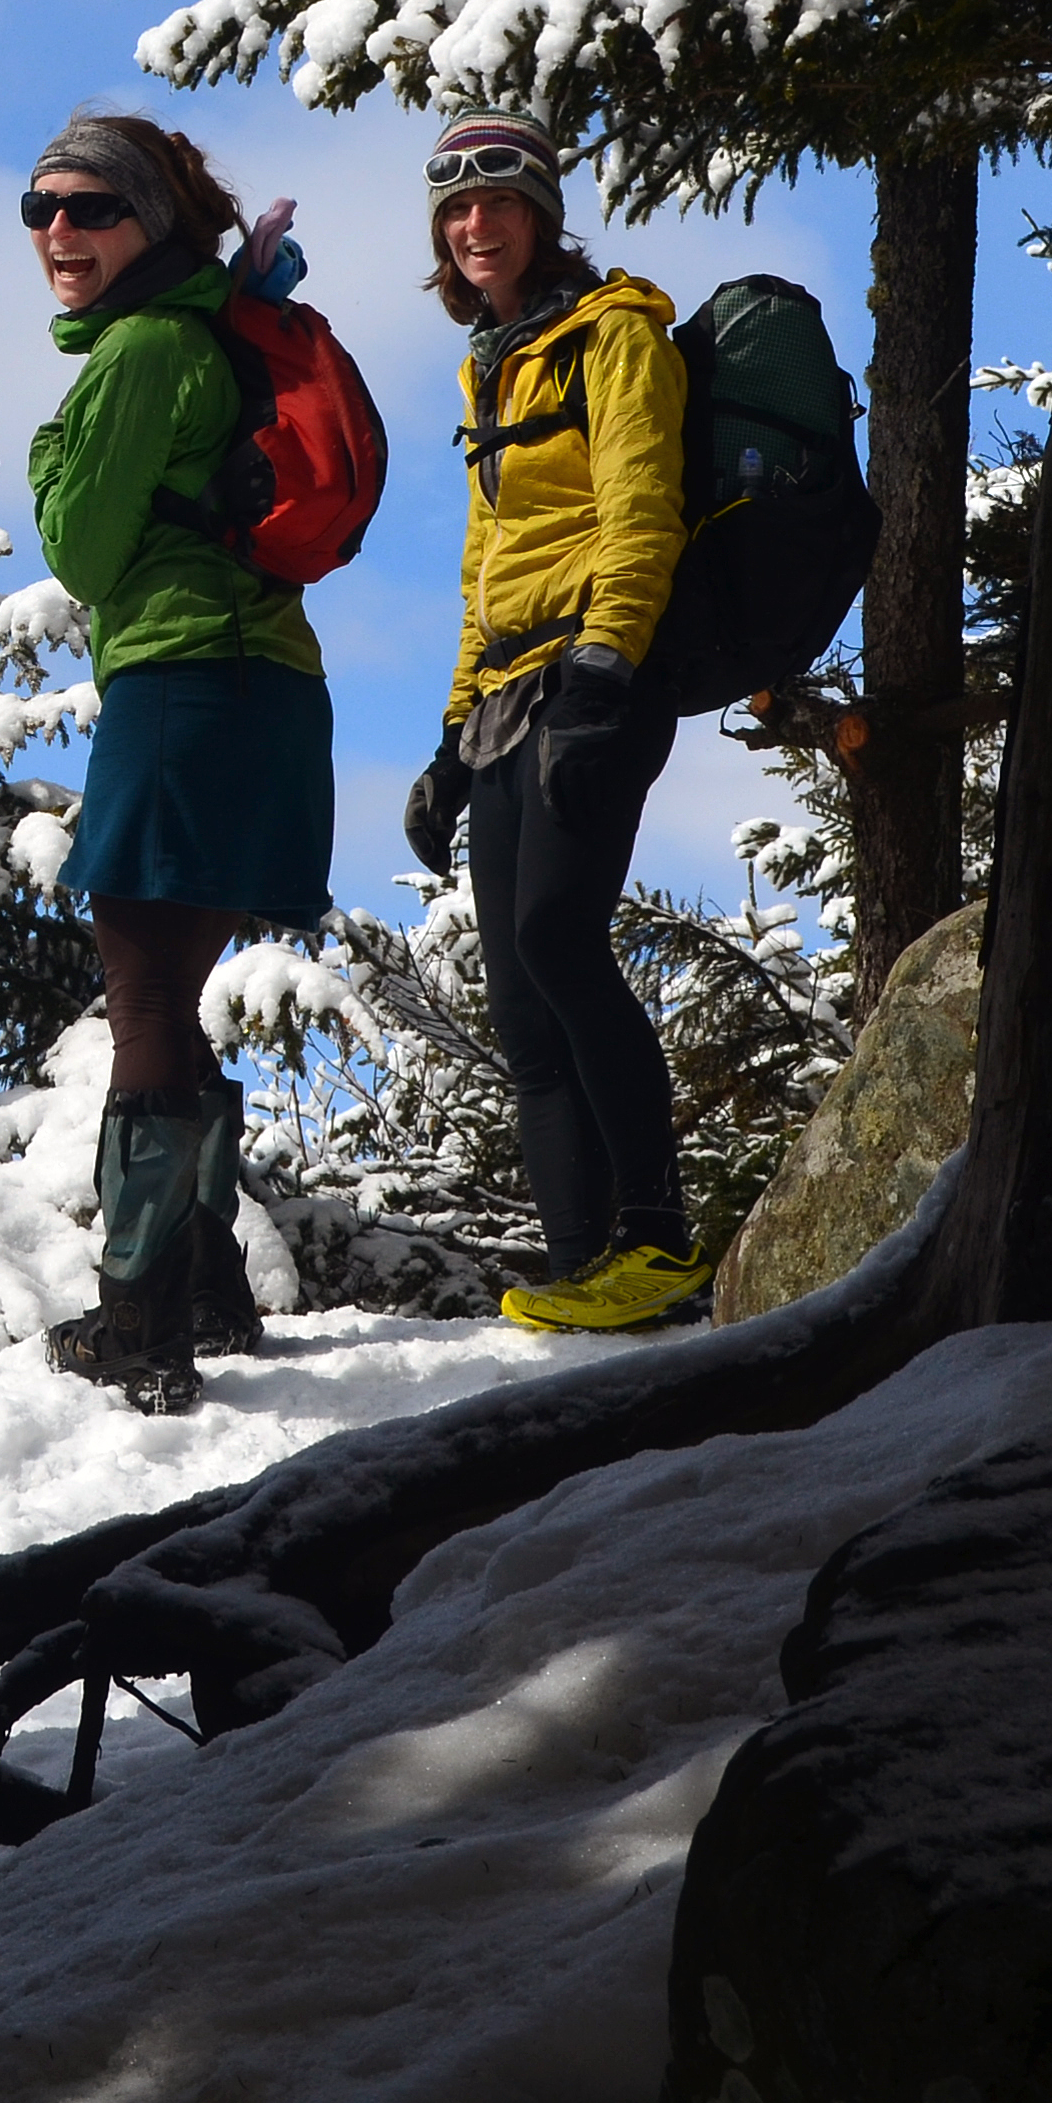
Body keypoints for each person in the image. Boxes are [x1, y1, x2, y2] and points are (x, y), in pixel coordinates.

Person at [19, 112, 332, 1415]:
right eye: (36, 209)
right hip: (269, 693)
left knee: (143, 996)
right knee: (173, 993)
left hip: (183, 681)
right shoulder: (204, 332)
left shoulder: (145, 349)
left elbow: (82, 554)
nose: (57, 233)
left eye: (88, 207)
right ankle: (208, 1289)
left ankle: (142, 1323)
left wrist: (50, 458)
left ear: (149, 218)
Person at [393, 110, 713, 1333]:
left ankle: (657, 1246)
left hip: (590, 679)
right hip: (507, 703)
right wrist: (447, 736)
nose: (477, 226)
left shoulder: (611, 332)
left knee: (560, 940)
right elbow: (488, 567)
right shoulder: (495, 359)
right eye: (456, 210)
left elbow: (643, 508)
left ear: (540, 213)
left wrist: (600, 678)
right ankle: (581, 1268)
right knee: (522, 998)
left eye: (500, 202)